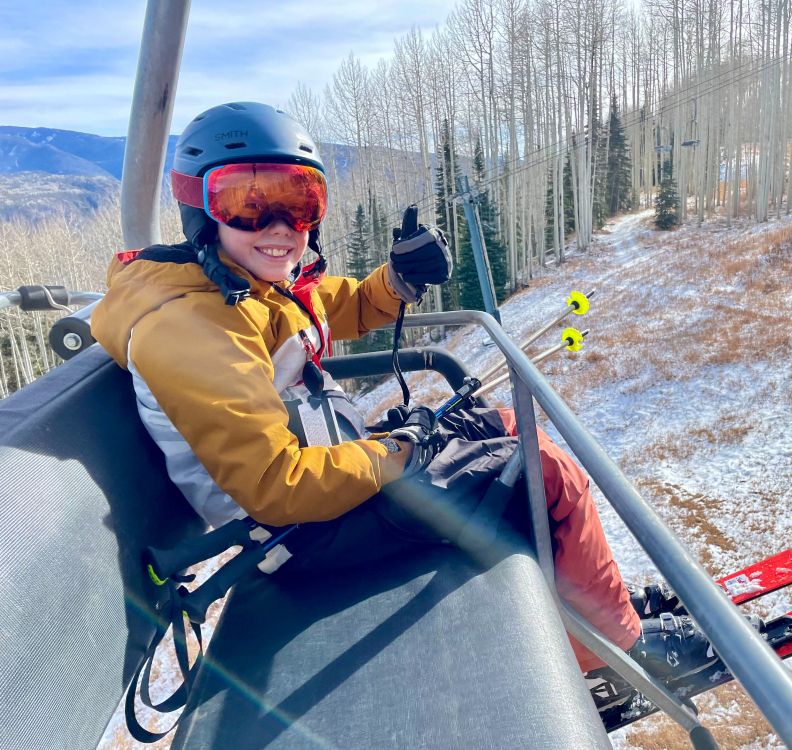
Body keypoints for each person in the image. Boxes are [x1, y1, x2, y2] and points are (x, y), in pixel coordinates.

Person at [91, 101, 719, 688]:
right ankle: (616, 653)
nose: (282, 227)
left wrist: (395, 281)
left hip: (324, 490)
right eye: (249, 203)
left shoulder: (239, 284)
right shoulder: (192, 326)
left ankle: (595, 607)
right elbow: (278, 488)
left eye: (301, 202)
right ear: (199, 207)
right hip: (293, 536)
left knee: (501, 423)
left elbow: (329, 307)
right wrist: (395, 451)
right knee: (543, 471)